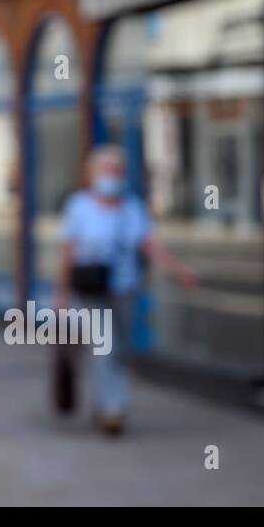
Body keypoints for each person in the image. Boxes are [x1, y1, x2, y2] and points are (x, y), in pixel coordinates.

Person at [56, 144, 196, 435]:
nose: (112, 175)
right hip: (91, 290)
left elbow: (148, 244)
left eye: (117, 170)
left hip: (123, 288)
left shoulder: (132, 208)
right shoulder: (79, 206)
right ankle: (113, 408)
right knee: (103, 348)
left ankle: (106, 403)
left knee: (118, 350)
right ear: (92, 173)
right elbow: (68, 251)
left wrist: (177, 269)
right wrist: (62, 292)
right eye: (106, 170)